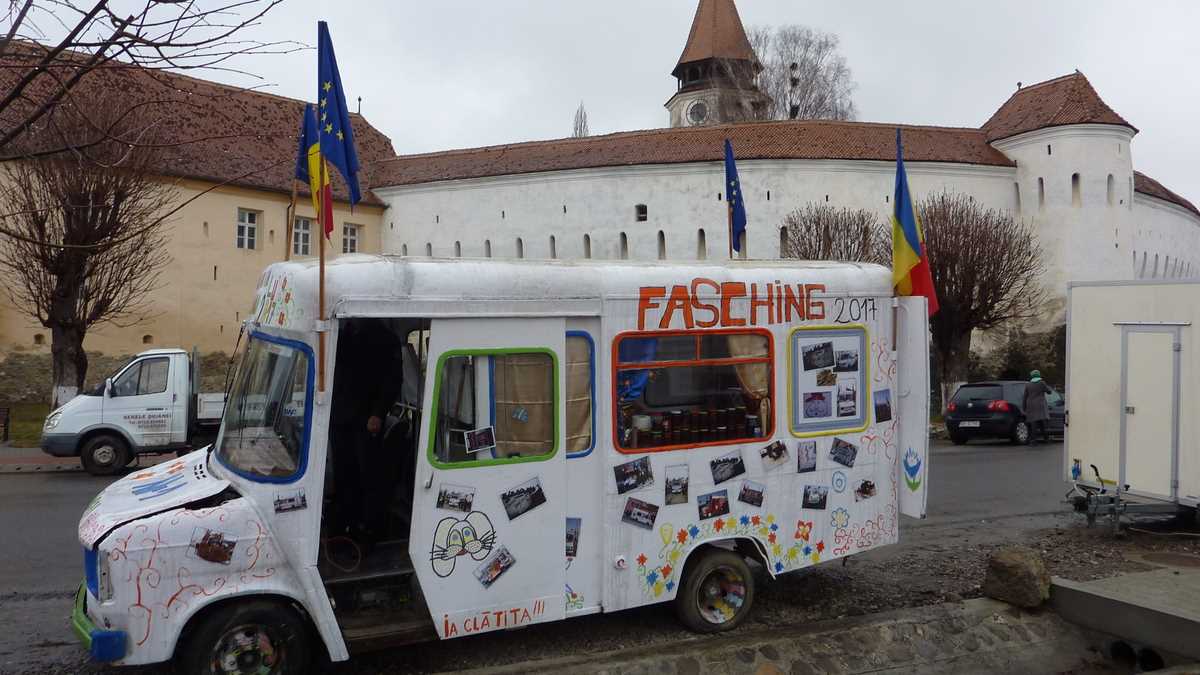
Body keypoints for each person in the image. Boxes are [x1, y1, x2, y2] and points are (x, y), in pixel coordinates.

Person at [329, 319, 404, 547]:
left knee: (368, 478)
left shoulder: (384, 337)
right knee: (342, 475)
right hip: (339, 417)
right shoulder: (339, 334)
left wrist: (378, 413)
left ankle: (370, 530)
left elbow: (392, 380)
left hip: (366, 419)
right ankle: (341, 527)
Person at [1023, 370, 1051, 445]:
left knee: (1033, 423)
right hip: (1040, 405)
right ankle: (1046, 439)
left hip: (1030, 405)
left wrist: (1024, 407)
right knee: (1042, 422)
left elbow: (1025, 396)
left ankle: (1033, 440)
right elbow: (1049, 391)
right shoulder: (1042, 383)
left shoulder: (1028, 384)